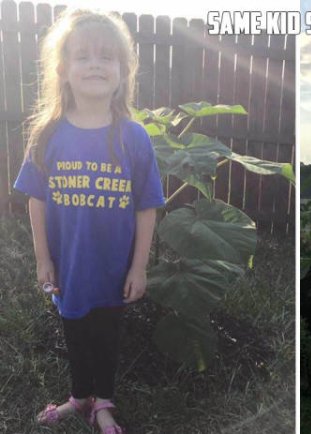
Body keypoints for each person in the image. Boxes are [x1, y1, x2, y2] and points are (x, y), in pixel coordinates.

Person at [13, 8, 165, 434]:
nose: (95, 64)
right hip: (70, 266)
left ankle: (104, 402)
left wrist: (138, 266)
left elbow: (146, 205)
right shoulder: (47, 134)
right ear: (62, 70)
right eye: (83, 56)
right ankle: (80, 396)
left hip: (115, 267)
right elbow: (36, 200)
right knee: (75, 334)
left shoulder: (133, 137)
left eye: (107, 56)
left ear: (123, 71)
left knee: (107, 337)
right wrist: (43, 258)